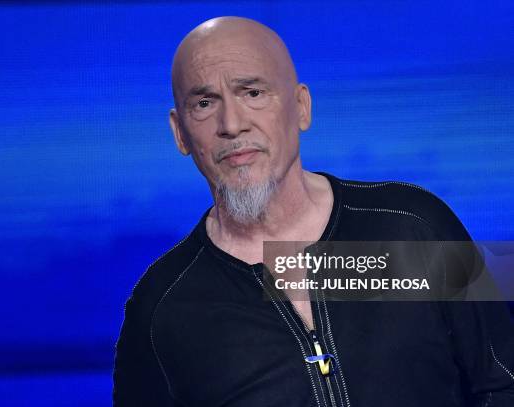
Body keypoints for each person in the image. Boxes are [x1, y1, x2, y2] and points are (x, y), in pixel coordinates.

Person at [113, 16, 514, 406]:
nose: (232, 125)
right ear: (180, 132)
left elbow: (503, 382)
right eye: (204, 102)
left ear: (301, 107)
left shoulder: (412, 225)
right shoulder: (162, 307)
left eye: (252, 93)